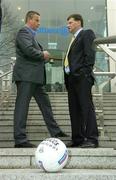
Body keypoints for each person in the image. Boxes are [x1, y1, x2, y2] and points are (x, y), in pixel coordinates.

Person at [12, 10, 68, 148]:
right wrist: (43, 54)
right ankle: (20, 139)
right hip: (26, 77)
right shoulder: (23, 32)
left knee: (46, 104)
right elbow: (28, 51)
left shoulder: (31, 35)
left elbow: (31, 53)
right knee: (22, 107)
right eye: (36, 20)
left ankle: (55, 131)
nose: (38, 23)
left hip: (36, 78)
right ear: (29, 19)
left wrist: (44, 58)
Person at [64, 14, 98, 148]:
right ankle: (77, 138)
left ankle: (92, 139)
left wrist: (84, 72)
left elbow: (90, 55)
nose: (68, 25)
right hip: (71, 80)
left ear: (79, 22)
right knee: (74, 110)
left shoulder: (86, 34)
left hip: (82, 78)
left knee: (86, 108)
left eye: (70, 22)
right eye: (68, 23)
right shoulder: (73, 39)